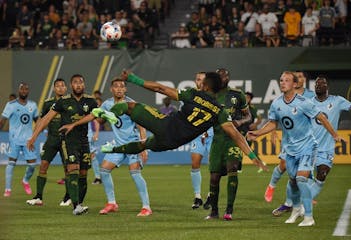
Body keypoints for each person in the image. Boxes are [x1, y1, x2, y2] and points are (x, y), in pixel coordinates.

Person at [95, 70, 267, 174]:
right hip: (173, 142)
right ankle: (113, 149)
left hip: (165, 125)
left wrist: (133, 79)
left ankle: (112, 115)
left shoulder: (194, 94)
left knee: (130, 106)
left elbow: (160, 89)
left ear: (206, 86)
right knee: (143, 145)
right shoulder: (220, 112)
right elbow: (236, 136)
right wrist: (253, 156)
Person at [247, 71, 343, 227]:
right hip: (290, 149)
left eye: (286, 80)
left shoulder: (304, 102)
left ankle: (309, 217)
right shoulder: (276, 103)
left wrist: (334, 135)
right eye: (281, 80)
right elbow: (273, 123)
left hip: (307, 147)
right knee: (293, 181)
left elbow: (321, 117)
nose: (282, 82)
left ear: (294, 84)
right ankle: (296, 209)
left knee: (301, 179)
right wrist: (257, 133)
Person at [59, 78, 152, 217]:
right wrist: (74, 124)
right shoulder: (107, 104)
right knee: (104, 170)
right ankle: (112, 203)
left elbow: (141, 125)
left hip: (134, 143)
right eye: (116, 86)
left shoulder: (131, 104)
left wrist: (143, 146)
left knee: (135, 172)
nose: (119, 88)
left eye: (122, 86)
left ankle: (146, 207)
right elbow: (94, 116)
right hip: (118, 144)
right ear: (111, 89)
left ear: (125, 89)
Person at [27, 74, 98, 215]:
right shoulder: (63, 102)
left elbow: (94, 116)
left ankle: (79, 203)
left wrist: (75, 124)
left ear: (84, 85)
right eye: (75, 83)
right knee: (72, 169)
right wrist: (33, 137)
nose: (78, 85)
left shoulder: (91, 101)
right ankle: (76, 206)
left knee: (83, 174)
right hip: (68, 141)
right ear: (71, 86)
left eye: (81, 82)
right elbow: (46, 118)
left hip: (84, 141)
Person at [204, 68, 252, 220]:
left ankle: (229, 210)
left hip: (234, 139)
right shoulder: (211, 96)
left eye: (226, 75)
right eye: (220, 75)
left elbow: (248, 116)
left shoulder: (237, 95)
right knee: (214, 177)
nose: (223, 77)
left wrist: (240, 121)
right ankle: (214, 212)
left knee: (232, 169)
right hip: (217, 140)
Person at [265, 71, 315, 216]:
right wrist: (273, 131)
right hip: (289, 141)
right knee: (286, 168)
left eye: (300, 76)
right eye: (282, 80)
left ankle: (295, 204)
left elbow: (319, 114)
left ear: (303, 80)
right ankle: (280, 194)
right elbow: (276, 119)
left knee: (302, 176)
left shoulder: (311, 96)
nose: (298, 79)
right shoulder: (281, 99)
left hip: (306, 142)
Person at [309, 76, 351, 200]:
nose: (318, 86)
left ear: (327, 87)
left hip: (326, 149)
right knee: (298, 179)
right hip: (309, 148)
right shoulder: (309, 103)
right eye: (316, 84)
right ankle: (292, 203)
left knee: (322, 174)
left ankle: (305, 203)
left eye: (322, 84)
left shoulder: (337, 101)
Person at [26, 78, 71, 206]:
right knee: (43, 166)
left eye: (63, 86)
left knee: (67, 169)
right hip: (51, 139)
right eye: (58, 86)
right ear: (54, 88)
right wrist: (33, 137)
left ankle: (67, 197)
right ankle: (38, 197)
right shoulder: (48, 103)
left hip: (66, 140)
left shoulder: (70, 102)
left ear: (66, 88)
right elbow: (41, 121)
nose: (60, 88)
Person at [0, 83, 39, 197]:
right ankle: (8, 189)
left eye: (26, 89)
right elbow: (3, 121)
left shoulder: (33, 105)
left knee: (32, 165)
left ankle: (25, 181)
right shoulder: (11, 105)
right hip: (14, 139)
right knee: (11, 162)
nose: (24, 90)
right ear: (19, 90)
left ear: (28, 91)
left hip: (28, 141)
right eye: (22, 88)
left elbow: (38, 121)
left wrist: (39, 133)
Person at [188, 72, 214, 209]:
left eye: (203, 80)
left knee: (213, 166)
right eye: (198, 79)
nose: (200, 82)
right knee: (195, 163)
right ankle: (197, 196)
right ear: (195, 81)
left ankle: (211, 195)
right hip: (197, 135)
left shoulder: (212, 96)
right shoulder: (190, 96)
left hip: (212, 134)